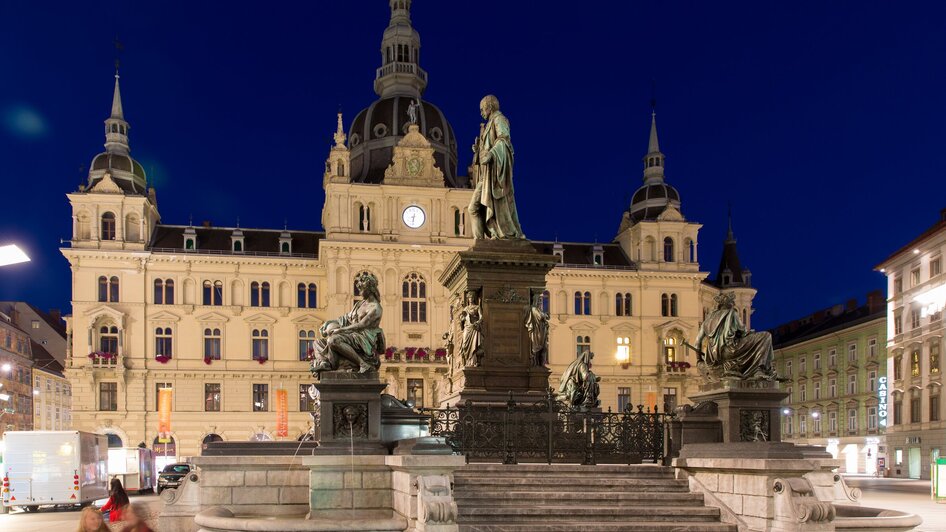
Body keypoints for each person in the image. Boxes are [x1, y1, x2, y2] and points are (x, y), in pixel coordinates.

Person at [468, 94, 524, 240]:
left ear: (490, 106)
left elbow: (504, 140)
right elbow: (489, 145)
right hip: (486, 175)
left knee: (474, 208)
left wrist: (492, 154)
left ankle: (485, 240)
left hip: (494, 175)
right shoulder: (489, 123)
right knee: (474, 208)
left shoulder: (499, 119)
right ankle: (480, 242)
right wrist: (479, 149)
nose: (481, 112)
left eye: (482, 109)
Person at [310, 271, 385, 377]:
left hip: (364, 337)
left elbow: (361, 325)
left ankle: (363, 364)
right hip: (351, 334)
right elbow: (345, 319)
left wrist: (340, 330)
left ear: (370, 289)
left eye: (361, 289)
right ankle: (326, 363)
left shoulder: (376, 308)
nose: (359, 293)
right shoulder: (360, 304)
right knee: (317, 343)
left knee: (333, 340)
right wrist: (329, 323)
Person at [693, 291, 777, 380]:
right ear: (730, 304)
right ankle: (760, 369)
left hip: (714, 356)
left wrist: (699, 360)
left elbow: (697, 342)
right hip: (730, 350)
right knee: (765, 336)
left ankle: (756, 370)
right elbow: (743, 332)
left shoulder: (707, 321)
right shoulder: (731, 313)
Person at [456, 290, 483, 367]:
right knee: (464, 345)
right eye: (469, 297)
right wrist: (461, 318)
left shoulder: (477, 307)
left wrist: (477, 322)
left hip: (474, 328)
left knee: (474, 345)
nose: (470, 299)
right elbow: (462, 319)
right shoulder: (466, 308)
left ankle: (473, 361)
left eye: (471, 297)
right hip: (467, 328)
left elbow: (481, 317)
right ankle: (467, 361)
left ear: (474, 298)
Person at [525, 292, 549, 367]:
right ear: (535, 300)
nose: (540, 302)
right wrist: (545, 315)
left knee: (544, 348)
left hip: (541, 331)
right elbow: (541, 316)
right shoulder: (534, 309)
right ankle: (535, 364)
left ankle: (541, 363)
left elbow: (543, 316)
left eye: (541, 300)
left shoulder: (538, 309)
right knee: (536, 348)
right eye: (539, 300)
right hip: (537, 332)